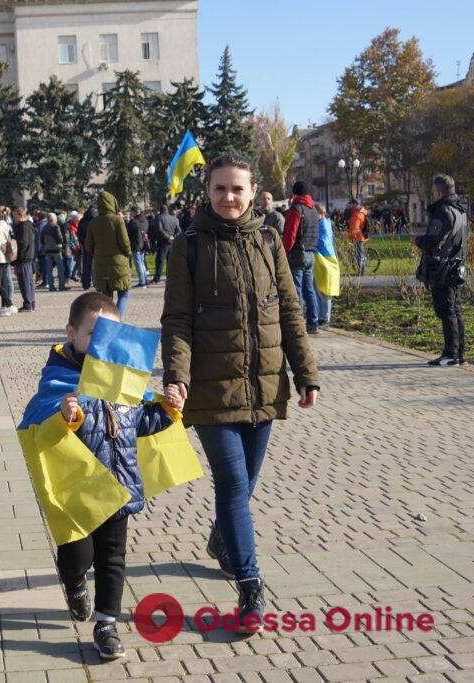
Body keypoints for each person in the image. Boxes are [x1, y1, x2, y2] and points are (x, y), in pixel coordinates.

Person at [161, 152, 319, 634]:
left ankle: (223, 542)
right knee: (232, 484)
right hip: (210, 390)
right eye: (219, 189)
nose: (228, 197)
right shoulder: (187, 245)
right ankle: (251, 587)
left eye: (237, 189)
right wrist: (176, 375)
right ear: (207, 191)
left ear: (253, 193)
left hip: (265, 385)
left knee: (245, 484)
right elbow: (178, 319)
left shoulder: (270, 239)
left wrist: (306, 372)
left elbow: (290, 310)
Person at [45, 292, 180, 659]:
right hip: (78, 490)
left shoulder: (122, 377)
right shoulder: (59, 375)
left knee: (113, 558)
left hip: (117, 485)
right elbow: (42, 423)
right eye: (93, 335)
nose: (103, 345)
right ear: (71, 332)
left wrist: (167, 409)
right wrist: (67, 417)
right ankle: (73, 582)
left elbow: (139, 421)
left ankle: (106, 623)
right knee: (77, 555)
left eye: (111, 336)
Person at [415, 174, 468, 366]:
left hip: (443, 268)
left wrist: (418, 240)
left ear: (438, 192)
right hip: (457, 266)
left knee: (446, 311)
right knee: (455, 310)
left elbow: (434, 240)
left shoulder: (443, 211)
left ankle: (450, 353)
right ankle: (459, 353)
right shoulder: (460, 211)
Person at [86, 191, 133, 318]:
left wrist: (99, 254)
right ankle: (115, 322)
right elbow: (125, 242)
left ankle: (107, 322)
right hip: (119, 264)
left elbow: (88, 246)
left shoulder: (93, 223)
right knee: (124, 293)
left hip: (101, 266)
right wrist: (128, 253)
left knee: (106, 299)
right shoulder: (118, 220)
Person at [282, 181, 321, 334]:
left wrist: (284, 252)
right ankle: (313, 322)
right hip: (311, 252)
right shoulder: (314, 210)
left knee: (296, 289)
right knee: (309, 289)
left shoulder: (296, 209)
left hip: (298, 253)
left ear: (294, 193)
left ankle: (297, 324)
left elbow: (290, 236)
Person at [313, 203, 338, 329]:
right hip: (320, 258)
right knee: (319, 289)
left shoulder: (323, 224)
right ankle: (321, 316)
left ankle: (325, 317)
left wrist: (311, 242)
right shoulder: (321, 223)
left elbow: (323, 241)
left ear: (321, 213)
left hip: (325, 259)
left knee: (324, 290)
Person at [12, 207, 36, 312]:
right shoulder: (30, 225)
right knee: (29, 282)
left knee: (25, 282)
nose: (13, 218)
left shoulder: (22, 226)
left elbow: (23, 243)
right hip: (29, 256)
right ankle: (31, 302)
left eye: (14, 216)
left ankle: (28, 304)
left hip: (24, 257)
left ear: (19, 215)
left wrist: (17, 260)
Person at [152, 204, 180, 283]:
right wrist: (173, 237)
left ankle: (157, 278)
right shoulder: (174, 218)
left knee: (160, 261)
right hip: (172, 242)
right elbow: (179, 230)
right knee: (170, 261)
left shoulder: (159, 217)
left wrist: (168, 237)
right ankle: (170, 278)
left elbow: (160, 230)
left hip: (163, 242)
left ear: (160, 210)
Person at [41, 212, 65, 292]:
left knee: (49, 269)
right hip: (56, 249)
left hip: (47, 250)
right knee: (60, 269)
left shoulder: (44, 227)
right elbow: (59, 238)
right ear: (54, 219)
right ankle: (61, 285)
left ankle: (51, 286)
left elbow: (42, 240)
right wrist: (61, 243)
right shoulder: (55, 226)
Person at [127, 206, 150, 288]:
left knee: (138, 264)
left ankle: (142, 282)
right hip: (143, 244)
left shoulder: (133, 222)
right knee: (142, 263)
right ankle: (144, 281)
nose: (130, 213)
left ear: (135, 212)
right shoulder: (145, 221)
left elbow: (128, 233)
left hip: (136, 244)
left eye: (131, 211)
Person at [347, 198, 369, 276]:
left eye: (351, 204)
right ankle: (361, 267)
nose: (349, 205)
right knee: (359, 254)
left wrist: (349, 236)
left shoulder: (357, 215)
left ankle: (361, 272)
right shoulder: (357, 212)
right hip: (359, 236)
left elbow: (354, 228)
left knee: (359, 256)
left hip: (358, 237)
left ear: (355, 205)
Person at [77, 206, 96, 290]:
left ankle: (85, 283)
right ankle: (96, 282)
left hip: (85, 245)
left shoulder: (82, 220)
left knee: (86, 265)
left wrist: (83, 242)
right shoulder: (96, 219)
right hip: (95, 245)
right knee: (95, 264)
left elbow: (79, 234)